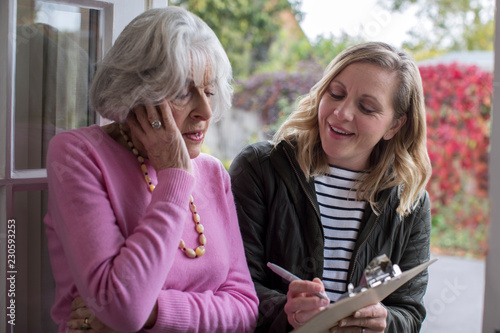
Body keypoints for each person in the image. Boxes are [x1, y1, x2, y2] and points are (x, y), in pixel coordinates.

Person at [44, 7, 258, 333]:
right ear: (136, 92)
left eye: (209, 91)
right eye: (182, 93)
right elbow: (125, 307)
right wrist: (174, 175)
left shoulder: (214, 173)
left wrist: (155, 312)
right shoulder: (78, 154)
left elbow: (245, 310)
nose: (205, 111)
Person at [229, 41, 432, 333]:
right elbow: (231, 285)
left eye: (366, 107)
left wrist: (385, 322)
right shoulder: (259, 169)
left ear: (394, 126)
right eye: (335, 93)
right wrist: (285, 312)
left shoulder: (409, 203)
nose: (341, 112)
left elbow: (410, 312)